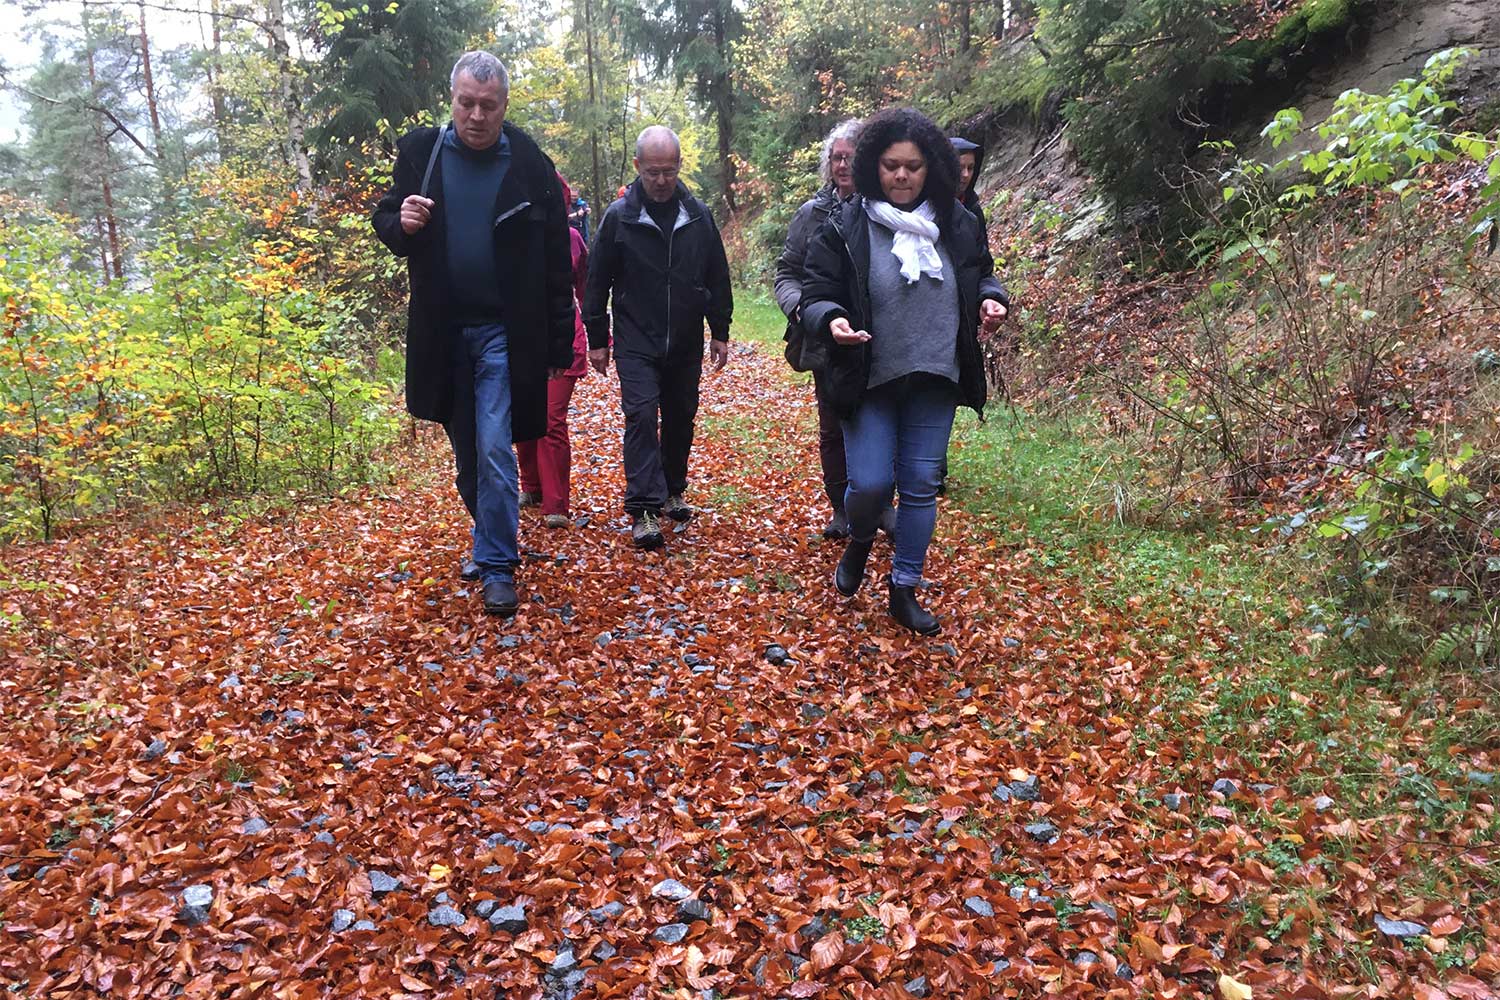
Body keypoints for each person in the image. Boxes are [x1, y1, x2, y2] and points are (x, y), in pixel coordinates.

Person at [372, 51, 575, 617]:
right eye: (467, 102)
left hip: (505, 333)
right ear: (452, 99)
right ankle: (491, 533)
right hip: (443, 333)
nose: (477, 115)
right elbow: (388, 219)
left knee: (493, 447)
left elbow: (558, 258)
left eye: (488, 105)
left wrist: (562, 341)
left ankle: (496, 564)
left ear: (504, 106)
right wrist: (401, 224)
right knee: (468, 456)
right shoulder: (422, 152)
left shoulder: (530, 162)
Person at [800, 107, 1008, 636]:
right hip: (868, 374)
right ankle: (861, 539)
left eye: (912, 167)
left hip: (936, 374)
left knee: (918, 485)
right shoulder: (846, 224)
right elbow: (815, 292)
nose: (901, 175)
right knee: (869, 484)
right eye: (891, 165)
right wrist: (833, 319)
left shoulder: (956, 222)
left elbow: (980, 273)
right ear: (874, 166)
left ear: (930, 168)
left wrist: (990, 300)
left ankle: (903, 587)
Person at [581, 125, 734, 550]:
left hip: (685, 340)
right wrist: (598, 338)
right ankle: (644, 509)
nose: (662, 181)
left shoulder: (698, 215)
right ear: (637, 168)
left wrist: (719, 330)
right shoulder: (619, 218)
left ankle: (672, 489)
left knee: (681, 416)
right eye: (653, 173)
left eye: (668, 171)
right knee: (643, 416)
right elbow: (596, 283)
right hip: (636, 339)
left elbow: (716, 276)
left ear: (679, 166)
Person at [774, 119, 862, 540]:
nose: (843, 165)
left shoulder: (883, 210)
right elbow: (786, 272)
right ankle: (841, 509)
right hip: (822, 337)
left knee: (875, 421)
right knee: (831, 426)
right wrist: (802, 310)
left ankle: (876, 505)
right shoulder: (812, 214)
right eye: (837, 157)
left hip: (873, 337)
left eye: (851, 157)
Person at [516, 173, 591, 529]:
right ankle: (530, 486)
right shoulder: (511, 239)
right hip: (519, 338)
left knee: (550, 419)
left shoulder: (573, 240)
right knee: (523, 417)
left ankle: (556, 504)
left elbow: (583, 289)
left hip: (563, 340)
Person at [950, 136, 987, 232]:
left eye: (970, 168)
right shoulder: (929, 209)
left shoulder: (973, 208)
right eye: (960, 167)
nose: (966, 175)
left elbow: (982, 246)